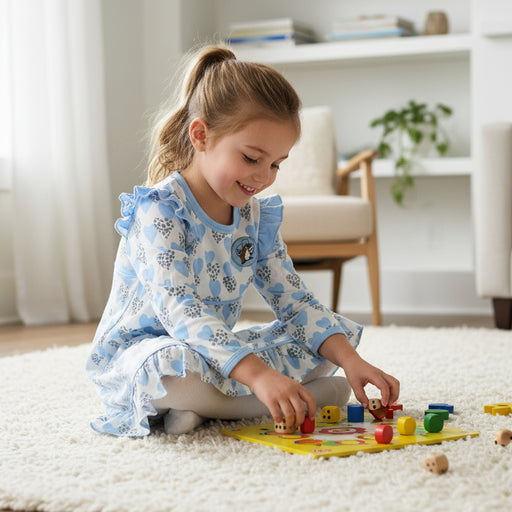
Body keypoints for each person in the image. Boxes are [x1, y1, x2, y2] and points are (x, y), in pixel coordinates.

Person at [86, 44, 400, 437]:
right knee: (169, 368)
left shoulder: (254, 216)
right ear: (200, 136)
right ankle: (278, 400)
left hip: (213, 351)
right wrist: (258, 375)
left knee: (319, 339)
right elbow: (179, 310)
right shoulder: (160, 210)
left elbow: (294, 301)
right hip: (147, 353)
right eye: (252, 158)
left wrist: (353, 361)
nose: (264, 177)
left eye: (276, 164)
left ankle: (205, 409)